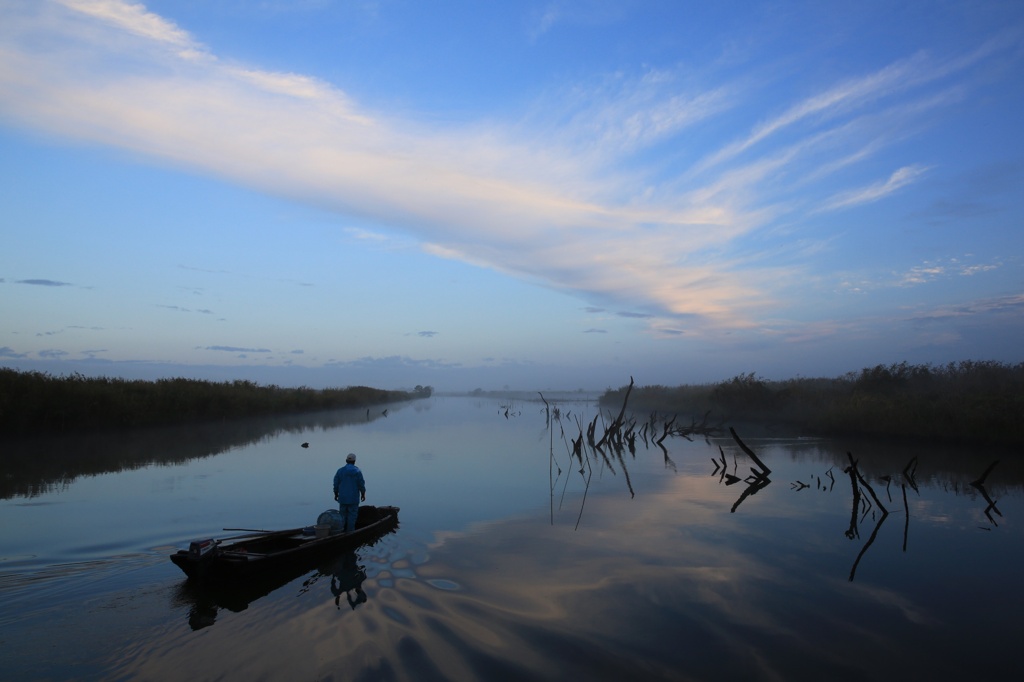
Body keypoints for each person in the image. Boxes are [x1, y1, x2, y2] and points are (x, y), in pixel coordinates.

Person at [333, 453, 366, 533]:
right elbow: (361, 484)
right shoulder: (357, 471)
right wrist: (363, 493)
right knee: (352, 516)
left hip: (343, 498)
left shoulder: (340, 471)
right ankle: (350, 532)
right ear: (354, 461)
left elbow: (336, 483)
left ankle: (341, 531)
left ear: (346, 460)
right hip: (353, 498)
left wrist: (336, 493)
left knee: (342, 516)